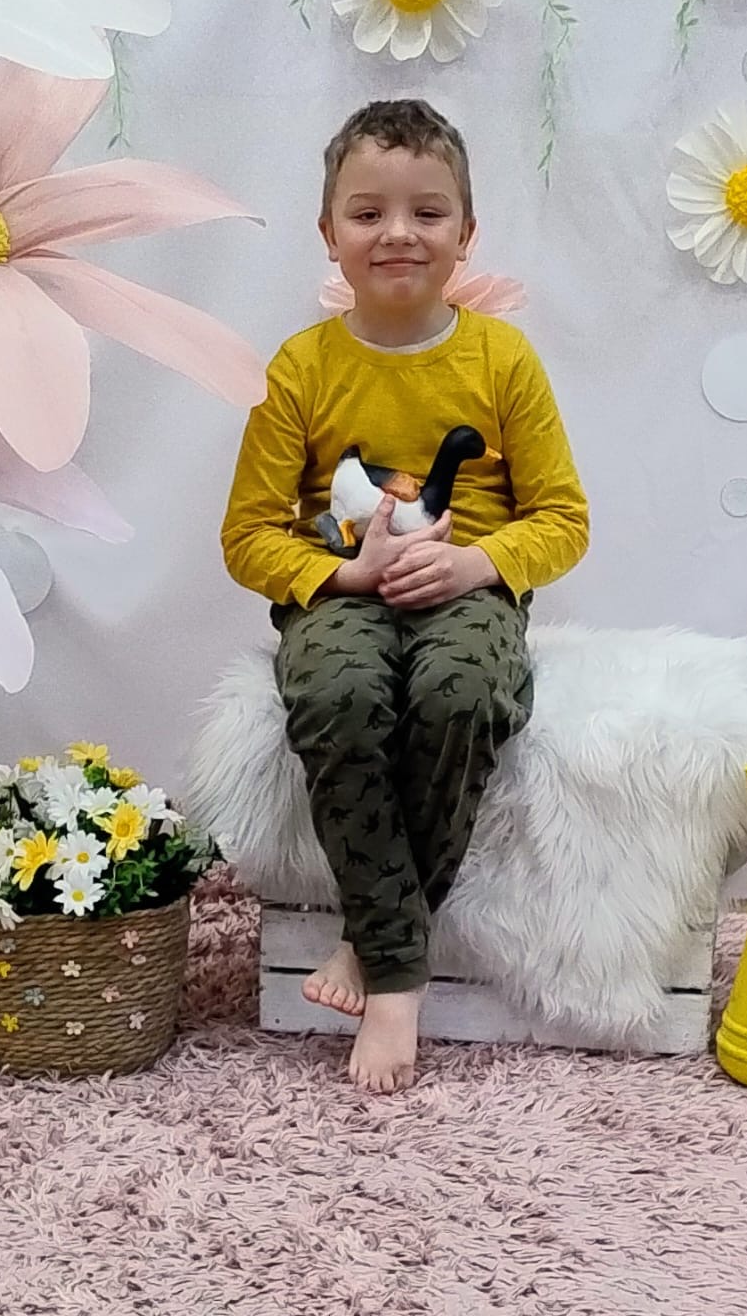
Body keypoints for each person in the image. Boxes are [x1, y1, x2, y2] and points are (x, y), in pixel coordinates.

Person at [221, 98, 588, 1090]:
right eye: (367, 212)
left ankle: (376, 953)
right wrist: (346, 573)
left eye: (426, 213)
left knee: (459, 693)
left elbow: (561, 518)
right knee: (338, 693)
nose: (397, 233)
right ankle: (401, 967)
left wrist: (473, 564)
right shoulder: (299, 369)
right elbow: (247, 537)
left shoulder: (502, 360)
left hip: (467, 592)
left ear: (465, 234)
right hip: (339, 589)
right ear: (327, 232)